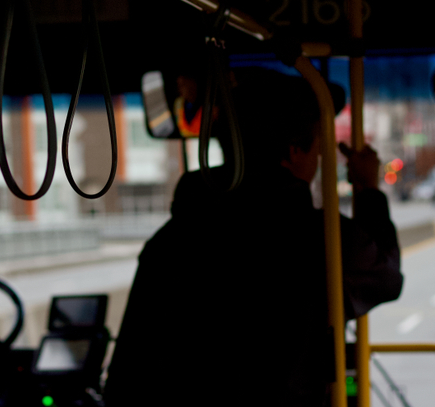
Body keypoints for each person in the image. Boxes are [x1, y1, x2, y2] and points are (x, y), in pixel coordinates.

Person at [104, 68, 403, 406]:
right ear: (293, 152)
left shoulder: (171, 239)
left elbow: (126, 373)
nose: (320, 157)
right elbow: (386, 276)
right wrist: (368, 190)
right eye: (318, 146)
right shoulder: (319, 238)